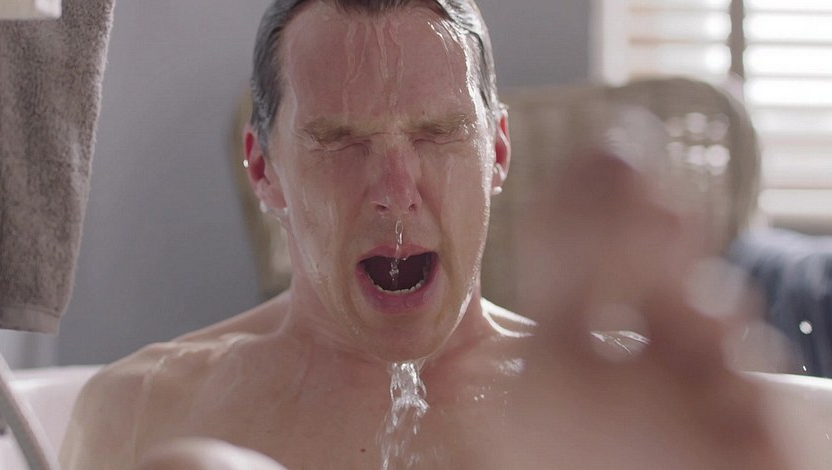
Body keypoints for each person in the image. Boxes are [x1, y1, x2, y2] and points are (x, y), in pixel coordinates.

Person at [59, 0, 798, 468]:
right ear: (264, 169)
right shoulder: (141, 411)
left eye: (438, 133)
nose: (394, 190)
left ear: (496, 152)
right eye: (341, 141)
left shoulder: (622, 411)